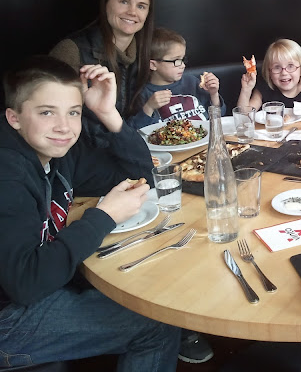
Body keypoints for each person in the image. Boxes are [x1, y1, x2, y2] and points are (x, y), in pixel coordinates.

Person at [0, 55, 180, 370]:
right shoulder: (8, 174)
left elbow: (141, 176)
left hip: (36, 286)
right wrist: (103, 217)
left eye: (74, 112)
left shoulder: (60, 152)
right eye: (46, 112)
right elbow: (26, 283)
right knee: (156, 322)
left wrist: (107, 113)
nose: (64, 127)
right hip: (8, 319)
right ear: (14, 118)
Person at [50, 0, 154, 121]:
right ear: (106, 3)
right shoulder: (70, 50)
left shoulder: (146, 52)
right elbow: (55, 119)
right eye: (124, 2)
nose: (132, 12)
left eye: (141, 6)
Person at [127, 27, 226, 129]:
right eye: (176, 61)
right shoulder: (143, 95)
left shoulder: (192, 82)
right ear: (153, 65)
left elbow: (219, 116)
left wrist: (213, 94)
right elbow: (134, 131)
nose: (183, 65)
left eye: (182, 59)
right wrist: (149, 108)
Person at [238, 38, 301, 109]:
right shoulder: (264, 89)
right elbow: (245, 116)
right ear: (269, 72)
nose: (284, 73)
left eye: (290, 66)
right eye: (277, 67)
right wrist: (246, 90)